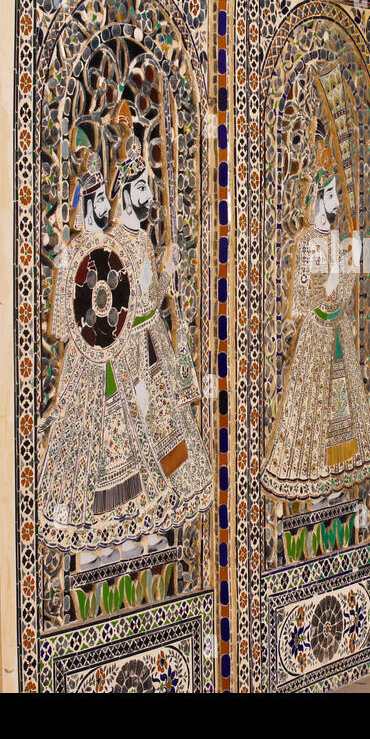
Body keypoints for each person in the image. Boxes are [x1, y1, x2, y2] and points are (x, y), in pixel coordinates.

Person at [37, 151, 176, 556]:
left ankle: (133, 524)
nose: (102, 207)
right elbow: (70, 321)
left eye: (103, 200)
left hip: (122, 356)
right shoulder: (88, 250)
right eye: (96, 201)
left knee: (129, 445)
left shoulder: (119, 244)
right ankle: (92, 533)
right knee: (95, 447)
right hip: (96, 363)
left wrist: (163, 274)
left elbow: (141, 300)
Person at [264, 152, 370, 499]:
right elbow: (304, 300)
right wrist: (337, 274)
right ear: (317, 200)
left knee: (340, 409)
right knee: (314, 410)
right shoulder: (308, 243)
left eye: (336, 195)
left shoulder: (333, 241)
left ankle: (335, 477)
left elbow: (341, 295)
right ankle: (313, 483)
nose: (336, 202)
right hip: (316, 334)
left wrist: (352, 263)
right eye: (330, 195)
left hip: (338, 334)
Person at [112, 141, 212, 525]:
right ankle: (137, 520)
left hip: (152, 342)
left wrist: (165, 268)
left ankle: (165, 512)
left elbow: (149, 298)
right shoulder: (117, 243)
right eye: (140, 189)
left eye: (148, 188)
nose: (148, 197)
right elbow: (133, 305)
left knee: (168, 430)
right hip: (132, 351)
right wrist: (166, 272)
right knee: (136, 435)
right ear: (124, 194)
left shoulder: (141, 239)